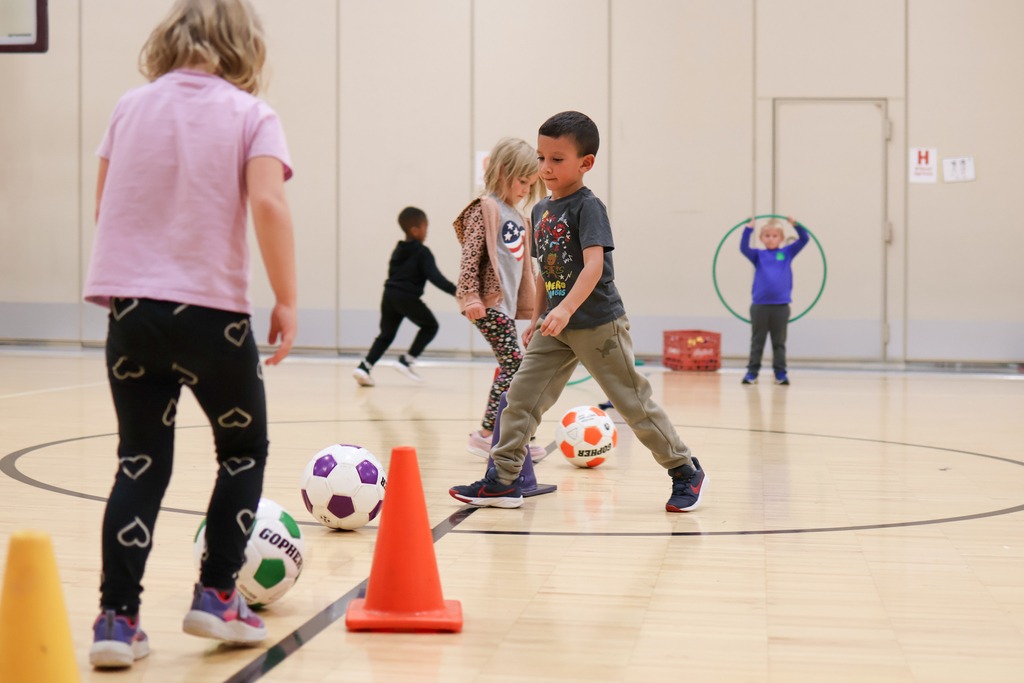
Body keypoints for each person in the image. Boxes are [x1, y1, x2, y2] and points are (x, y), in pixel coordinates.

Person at [83, 0, 296, 668]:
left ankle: (117, 621)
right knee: (241, 449)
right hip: (211, 317)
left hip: (132, 313)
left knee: (140, 461)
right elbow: (267, 201)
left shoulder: (130, 106)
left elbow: (104, 202)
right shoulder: (251, 114)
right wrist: (287, 297)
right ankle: (216, 594)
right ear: (244, 45)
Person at [449, 112, 707, 512]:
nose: (545, 169)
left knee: (632, 403)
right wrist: (536, 320)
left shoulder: (588, 207)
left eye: (557, 159)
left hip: (597, 324)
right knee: (520, 397)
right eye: (541, 158)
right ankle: (502, 480)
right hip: (554, 325)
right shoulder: (539, 212)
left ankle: (685, 470)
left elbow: (594, 266)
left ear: (585, 163)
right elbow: (541, 272)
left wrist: (566, 309)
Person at [453, 137, 546, 462]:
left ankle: (512, 435)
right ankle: (487, 435)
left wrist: (535, 312)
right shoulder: (486, 208)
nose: (525, 189)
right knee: (515, 366)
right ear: (503, 172)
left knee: (517, 367)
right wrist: (470, 296)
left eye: (530, 184)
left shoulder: (520, 217)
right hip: (487, 304)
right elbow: (470, 256)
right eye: (522, 181)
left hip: (505, 308)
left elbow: (527, 268)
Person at [353, 207, 457, 386]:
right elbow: (435, 277)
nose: (426, 232)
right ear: (415, 230)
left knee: (386, 334)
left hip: (389, 296)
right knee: (430, 326)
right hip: (406, 297)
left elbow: (392, 273)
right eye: (425, 228)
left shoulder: (398, 249)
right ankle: (406, 361)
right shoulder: (422, 252)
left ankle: (364, 367)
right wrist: (457, 291)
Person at [739, 217, 809, 385]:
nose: (771, 239)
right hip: (759, 306)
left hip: (781, 306)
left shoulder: (787, 252)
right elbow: (743, 248)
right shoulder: (758, 255)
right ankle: (752, 373)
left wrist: (796, 225)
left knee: (779, 343)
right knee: (758, 342)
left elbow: (805, 239)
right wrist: (748, 229)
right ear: (761, 238)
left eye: (775, 236)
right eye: (767, 235)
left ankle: (780, 373)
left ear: (782, 238)